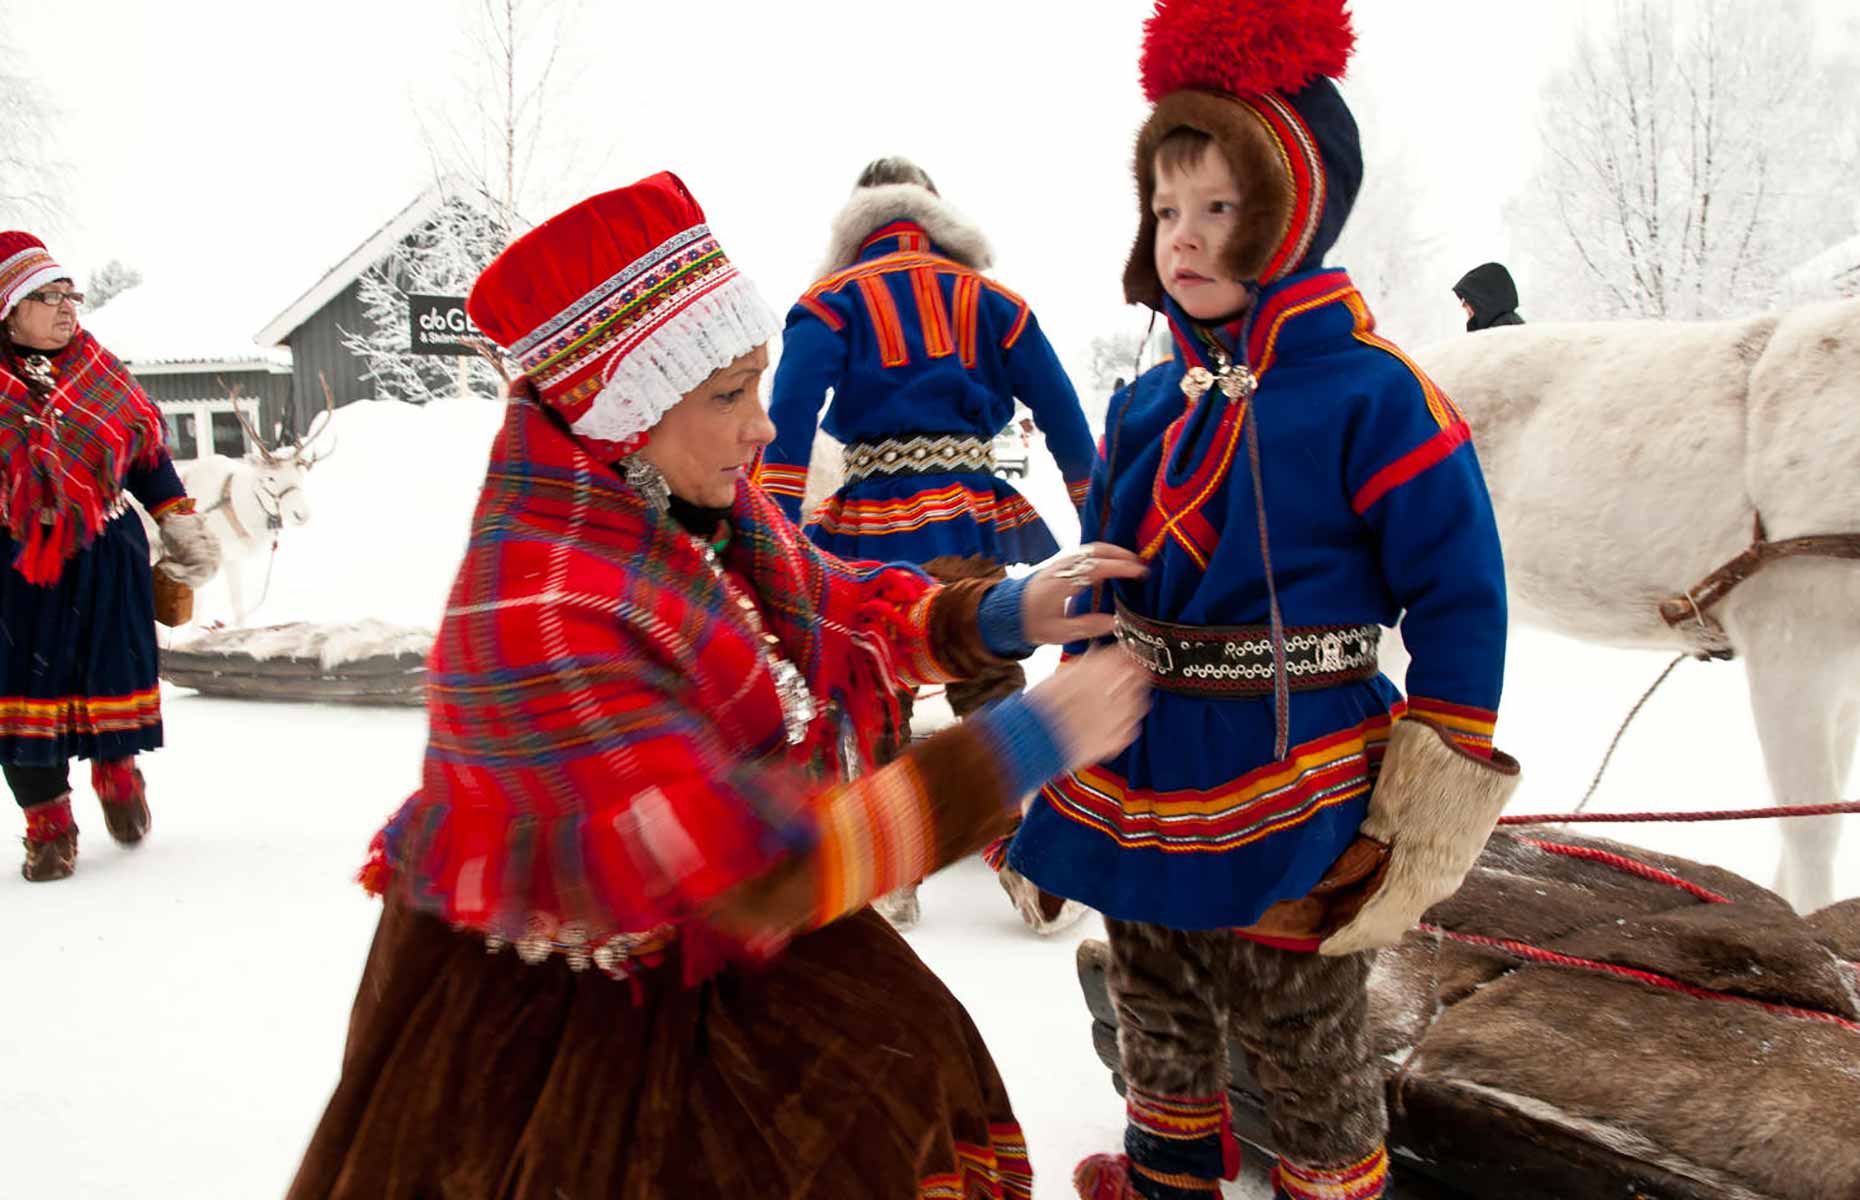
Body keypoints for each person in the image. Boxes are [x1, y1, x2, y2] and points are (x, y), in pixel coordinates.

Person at [285, 172, 1150, 1200]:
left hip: (720, 939)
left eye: (759, 383)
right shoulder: (547, 610)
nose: (763, 429)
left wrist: (1012, 610)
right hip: (572, 1026)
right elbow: (754, 873)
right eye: (729, 396)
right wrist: (1025, 741)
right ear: (626, 408)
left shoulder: (684, 507)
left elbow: (840, 610)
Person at [1000, 5, 1522, 1199]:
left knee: (1299, 1019)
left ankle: (1331, 1183)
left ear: (1292, 212)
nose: (1183, 239)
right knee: (1156, 989)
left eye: (1219, 208)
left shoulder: (1376, 397)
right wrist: (1059, 707)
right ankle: (1166, 1174)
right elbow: (1101, 582)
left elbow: (1461, 595)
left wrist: (1427, 799)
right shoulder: (1148, 403)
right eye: (1167, 209)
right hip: (1145, 756)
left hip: (1304, 767)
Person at [757, 156, 1101, 933]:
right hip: (970, 513)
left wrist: (770, 533)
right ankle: (1024, 858)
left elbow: (790, 417)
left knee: (879, 673)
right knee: (984, 665)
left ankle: (889, 872)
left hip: (871, 522)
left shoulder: (830, 301)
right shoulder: (993, 302)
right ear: (933, 214)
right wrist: (1099, 515)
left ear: (858, 220)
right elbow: (1062, 411)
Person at [0, 231, 220, 882]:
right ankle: (48, 828)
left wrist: (180, 524)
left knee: (109, 680)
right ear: (7, 308)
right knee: (20, 698)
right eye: (46, 296)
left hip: (104, 560)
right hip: (15, 572)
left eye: (71, 295)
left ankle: (117, 776)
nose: (67, 309)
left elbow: (147, 457)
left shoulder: (102, 374)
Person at [1452, 261, 1525, 330]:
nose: (1463, 305)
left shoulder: (1498, 337)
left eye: (1466, 300)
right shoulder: (1517, 332)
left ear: (1483, 301)